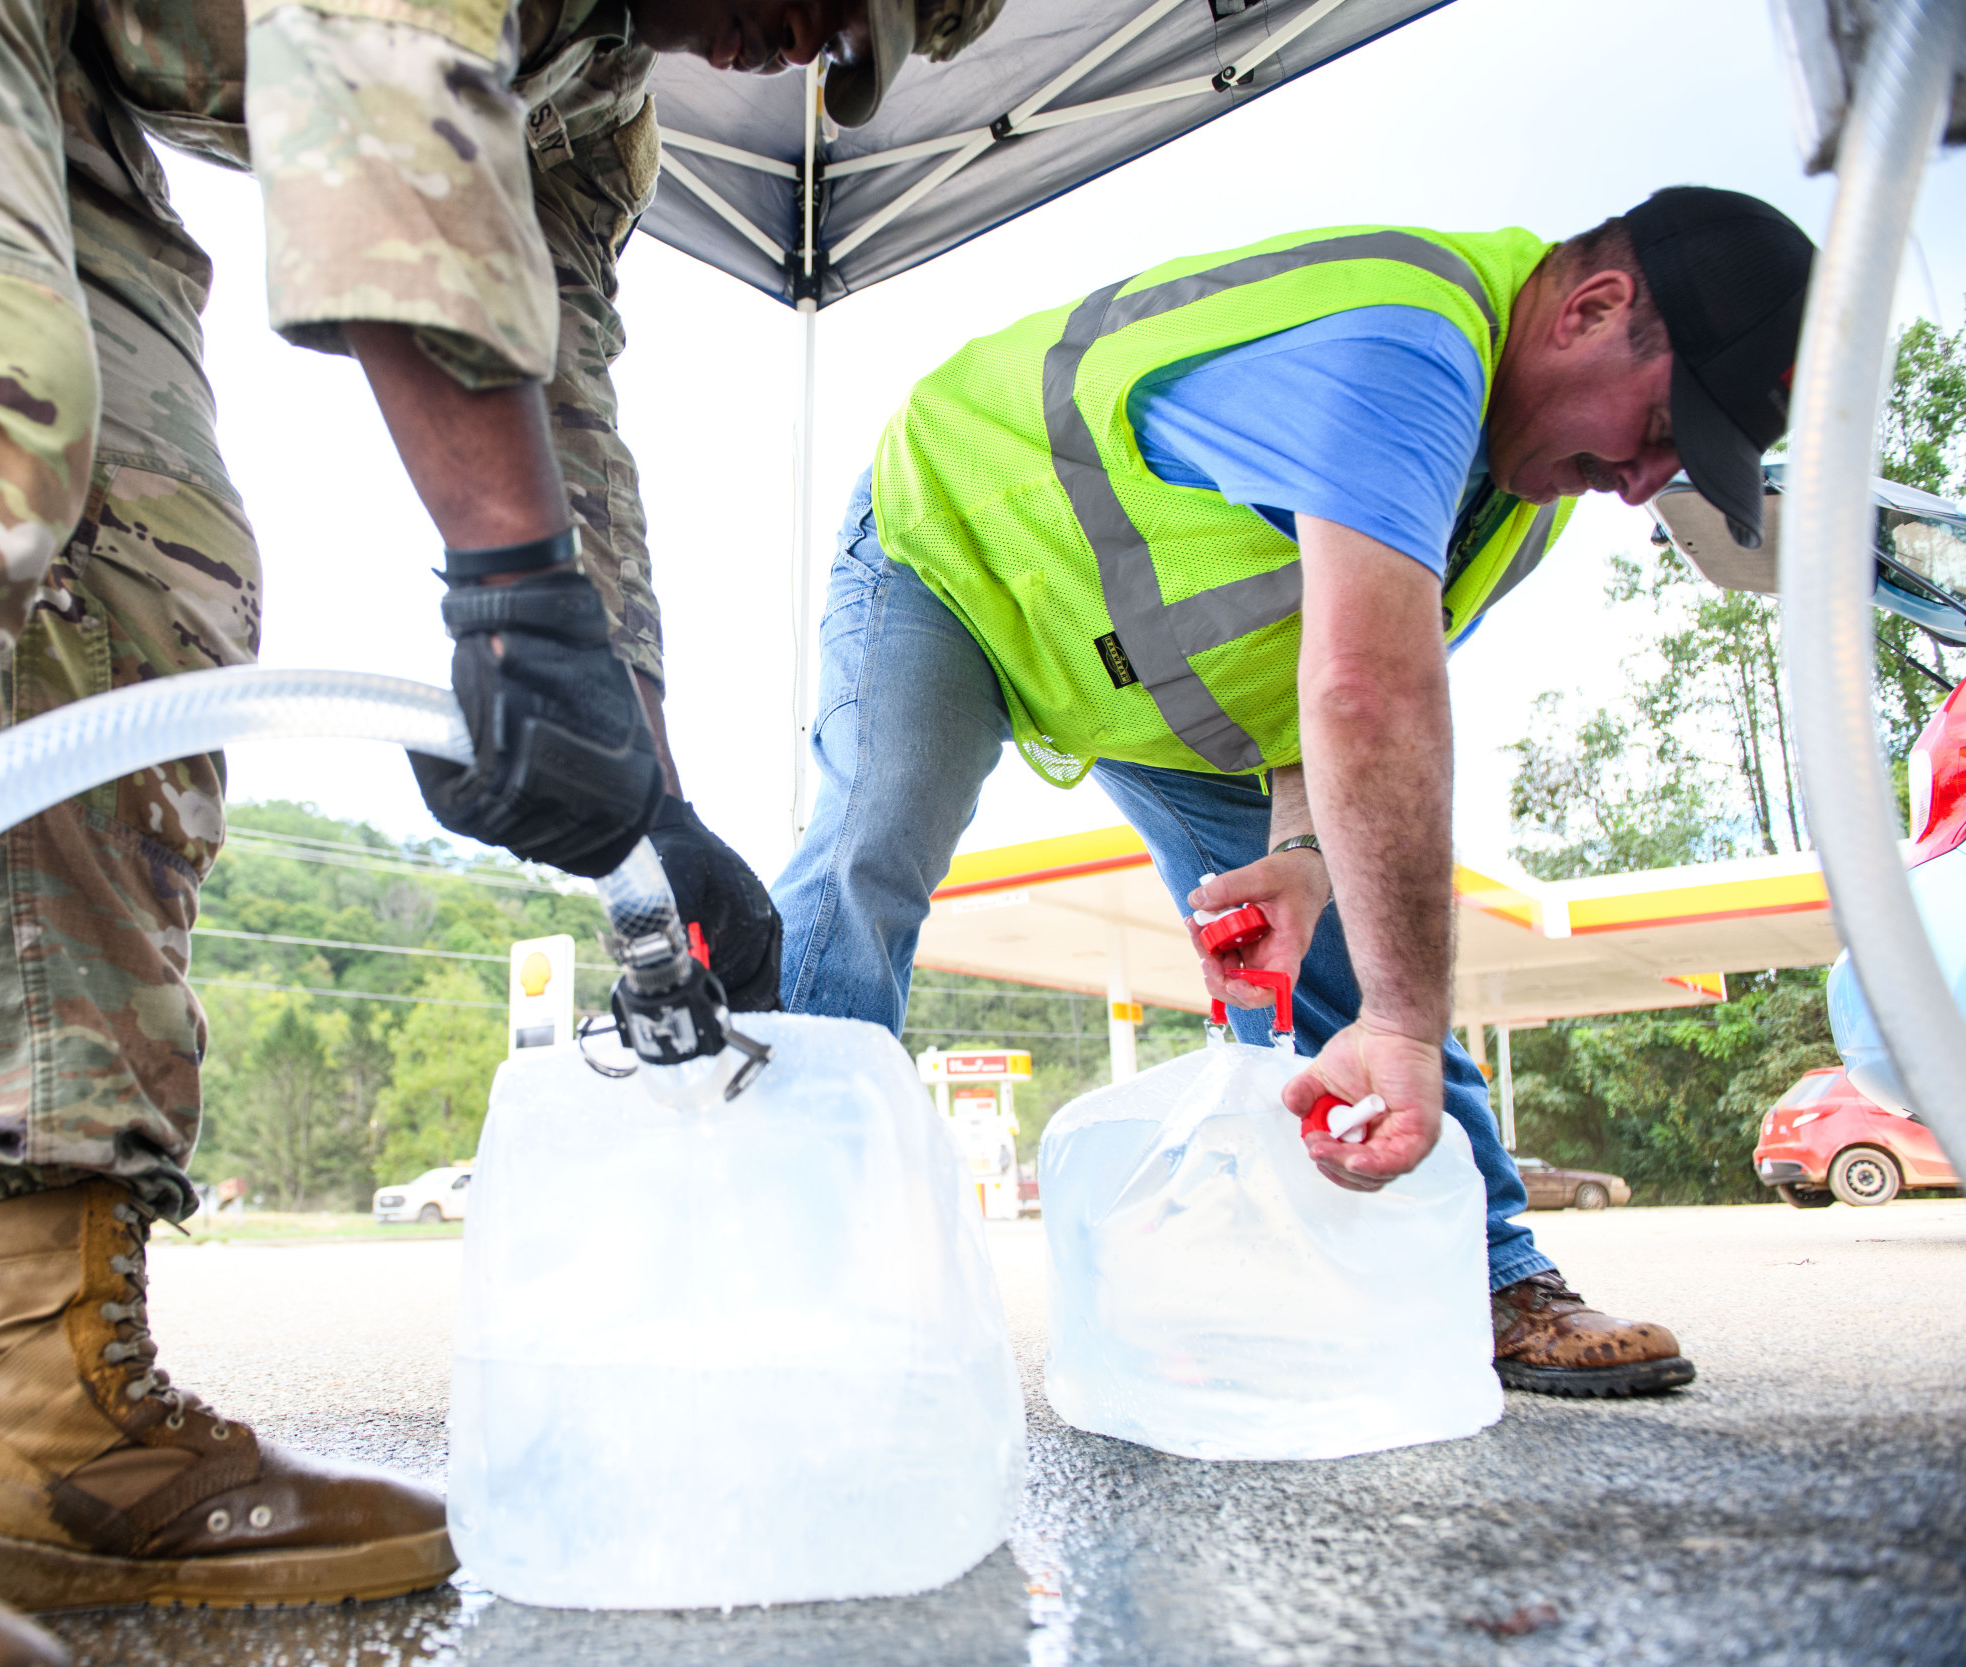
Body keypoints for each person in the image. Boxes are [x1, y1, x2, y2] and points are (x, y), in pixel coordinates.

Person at [0, 1, 1002, 1662]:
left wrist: (638, 785)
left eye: (851, 46)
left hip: (44, 51)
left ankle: (34, 1386)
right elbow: (378, 77)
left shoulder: (596, 89)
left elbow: (554, 389)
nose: (801, 51)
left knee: (138, 581)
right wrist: (504, 576)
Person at [774, 188, 1815, 1401]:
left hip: (1148, 685)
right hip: (957, 547)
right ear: (1591, 306)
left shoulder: (1521, 507)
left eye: (1679, 461)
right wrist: (1409, 1030)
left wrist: (1307, 855)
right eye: (1658, 424)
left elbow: (1322, 706)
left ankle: (1486, 1272)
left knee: (1342, 943)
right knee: (872, 845)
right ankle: (788, 1267)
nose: (1643, 481)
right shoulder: (1400, 342)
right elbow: (1368, 695)